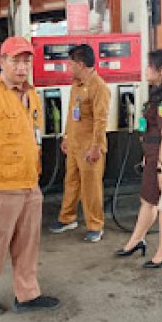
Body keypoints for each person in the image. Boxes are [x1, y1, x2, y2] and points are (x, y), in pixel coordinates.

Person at [0, 36, 60, 316]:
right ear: (2, 62)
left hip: (29, 183)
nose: (21, 66)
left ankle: (27, 295)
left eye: (26, 60)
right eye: (15, 60)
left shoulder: (31, 94)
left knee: (28, 243)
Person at [115, 49, 162, 267]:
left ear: (161, 71)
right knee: (148, 201)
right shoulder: (159, 93)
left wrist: (160, 169)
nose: (145, 70)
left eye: (149, 66)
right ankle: (136, 240)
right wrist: (149, 158)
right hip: (154, 155)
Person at [48, 44, 111, 242]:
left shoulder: (99, 87)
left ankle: (95, 225)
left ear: (81, 64)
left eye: (71, 64)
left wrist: (96, 148)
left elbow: (101, 120)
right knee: (71, 182)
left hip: (90, 147)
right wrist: (66, 136)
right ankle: (67, 218)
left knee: (91, 188)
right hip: (75, 144)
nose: (69, 68)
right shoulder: (77, 84)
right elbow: (70, 112)